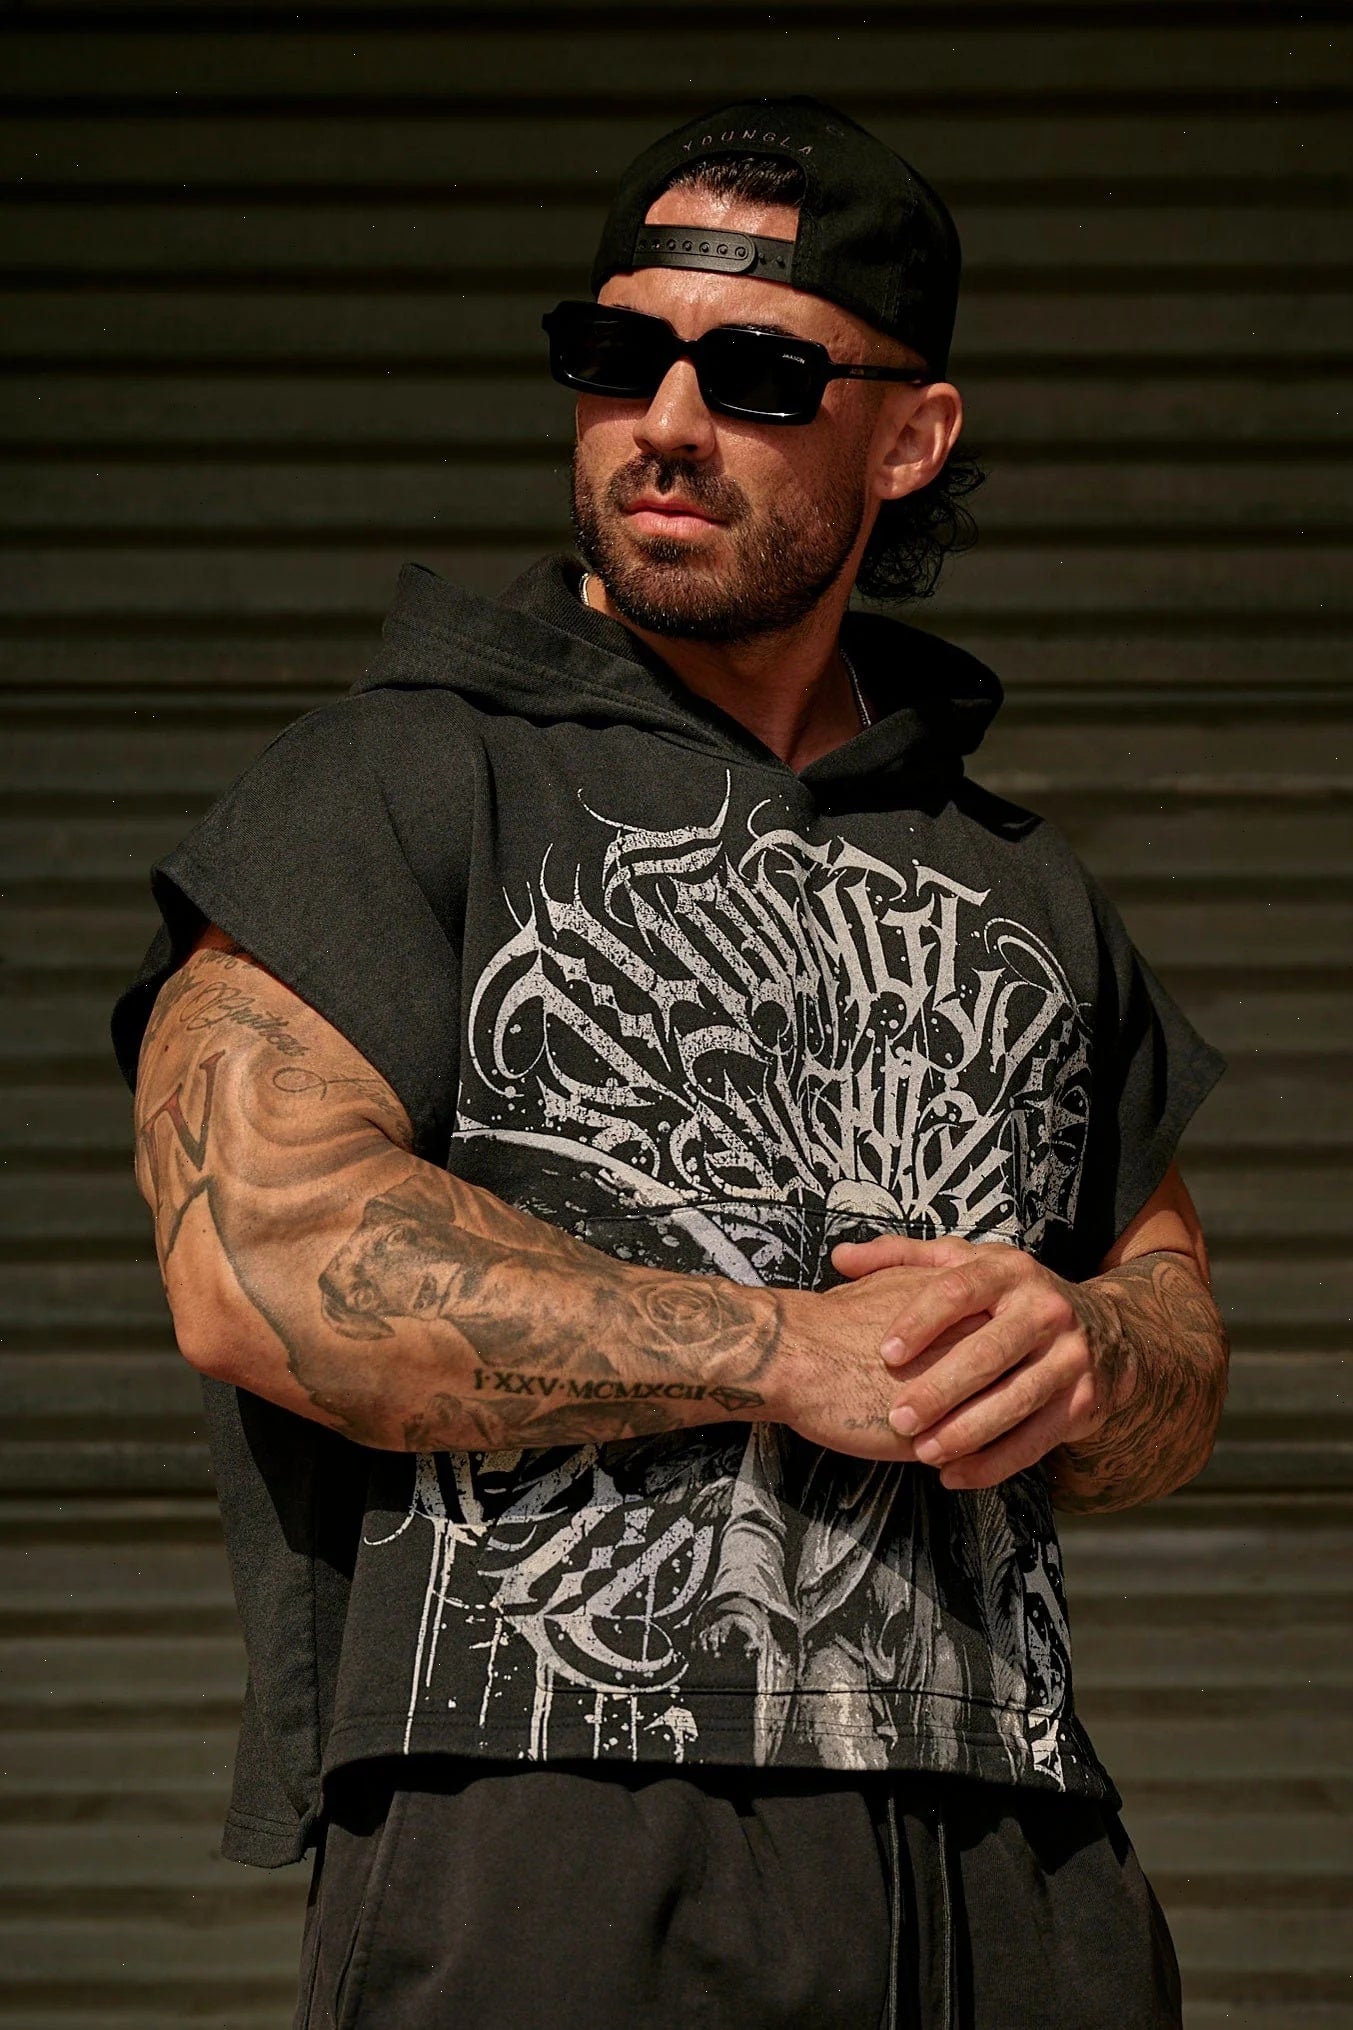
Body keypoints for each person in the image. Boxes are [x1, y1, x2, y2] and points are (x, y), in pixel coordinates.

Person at [112, 94, 1228, 2030]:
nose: (667, 420)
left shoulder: (1018, 878)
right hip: (547, 1822)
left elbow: (1174, 1333)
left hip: (1014, 1842)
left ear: (910, 438)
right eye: (616, 356)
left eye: (760, 373)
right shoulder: (397, 776)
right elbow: (259, 1256)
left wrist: (1080, 1350)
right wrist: (785, 1349)